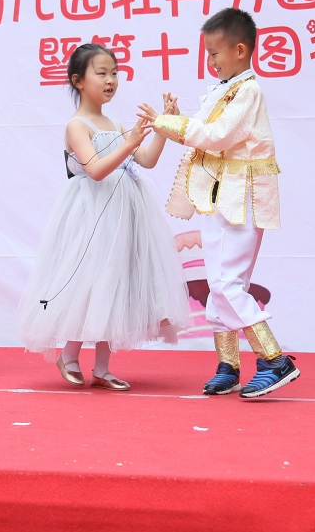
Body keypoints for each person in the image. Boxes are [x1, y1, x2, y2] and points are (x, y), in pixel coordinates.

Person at [139, 7, 296, 399]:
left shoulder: (248, 92)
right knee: (221, 285)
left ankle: (274, 359)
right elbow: (204, 133)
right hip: (218, 198)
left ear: (240, 50)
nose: (210, 60)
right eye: (208, 53)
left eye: (214, 52)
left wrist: (166, 122)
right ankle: (229, 365)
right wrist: (175, 119)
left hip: (239, 199)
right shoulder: (223, 91)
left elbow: (216, 136)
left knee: (227, 284)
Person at [18, 43, 192, 390]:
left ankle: (102, 368)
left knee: (116, 282)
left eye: (114, 73)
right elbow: (96, 170)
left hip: (123, 215)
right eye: (101, 73)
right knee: (90, 280)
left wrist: (162, 126)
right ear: (78, 81)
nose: (111, 80)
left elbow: (147, 160)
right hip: (92, 215)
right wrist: (129, 143)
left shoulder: (114, 122)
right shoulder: (77, 126)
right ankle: (68, 355)